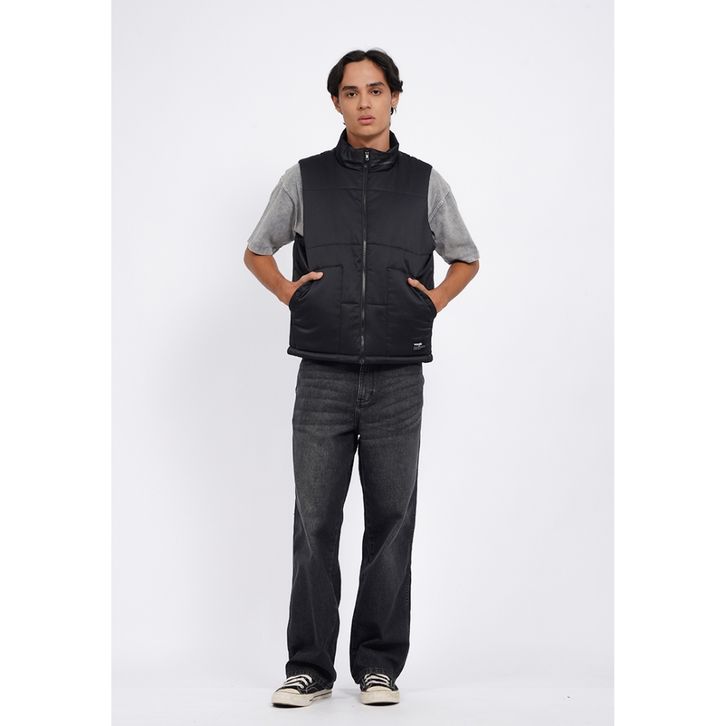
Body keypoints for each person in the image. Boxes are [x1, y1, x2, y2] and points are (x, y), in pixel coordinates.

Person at [244, 48, 480, 707]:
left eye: (376, 90)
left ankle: (378, 666)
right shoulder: (305, 179)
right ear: (337, 103)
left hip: (398, 375)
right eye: (351, 92)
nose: (365, 102)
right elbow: (257, 250)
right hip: (322, 373)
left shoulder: (426, 182)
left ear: (395, 97)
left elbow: (465, 257)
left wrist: (433, 302)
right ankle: (309, 668)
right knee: (315, 521)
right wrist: (290, 292)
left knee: (392, 520)